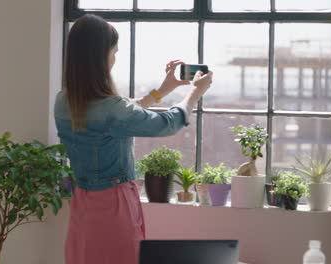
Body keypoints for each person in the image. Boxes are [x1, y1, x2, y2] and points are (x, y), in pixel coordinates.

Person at [54, 14, 213, 264]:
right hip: (113, 205)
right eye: (113, 52)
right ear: (99, 56)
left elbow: (127, 111)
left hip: (83, 203)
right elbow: (164, 124)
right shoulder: (109, 108)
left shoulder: (65, 100)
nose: (114, 59)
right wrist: (194, 94)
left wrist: (163, 90)